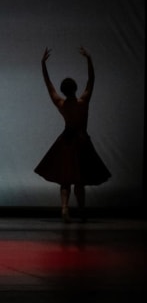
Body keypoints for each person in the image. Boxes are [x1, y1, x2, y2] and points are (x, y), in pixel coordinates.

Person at [34, 47, 111, 222]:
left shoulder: (61, 103)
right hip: (81, 140)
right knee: (79, 178)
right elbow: (91, 80)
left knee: (66, 178)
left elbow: (49, 85)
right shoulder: (83, 101)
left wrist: (43, 65)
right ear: (75, 89)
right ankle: (81, 209)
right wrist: (89, 60)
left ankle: (64, 207)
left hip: (67, 141)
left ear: (64, 90)